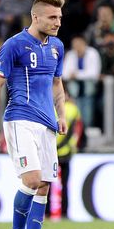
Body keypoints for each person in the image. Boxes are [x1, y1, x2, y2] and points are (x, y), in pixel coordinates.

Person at [0, 0, 66, 229]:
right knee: (31, 180)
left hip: (47, 123)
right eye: (52, 17)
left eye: (59, 17)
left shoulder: (57, 47)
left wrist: (62, 114)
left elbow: (57, 84)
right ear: (36, 16)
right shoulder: (14, 45)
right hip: (20, 118)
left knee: (44, 185)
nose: (57, 22)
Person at [49, 86, 83, 218]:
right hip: (65, 152)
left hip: (56, 151)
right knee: (64, 185)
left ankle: (48, 213)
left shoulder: (52, 108)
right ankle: (64, 213)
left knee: (48, 184)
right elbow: (78, 130)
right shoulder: (73, 109)